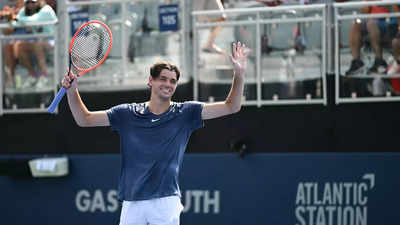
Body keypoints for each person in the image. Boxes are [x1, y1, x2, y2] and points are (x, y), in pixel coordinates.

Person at [60, 41, 249, 225]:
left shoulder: (186, 112)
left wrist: (239, 74)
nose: (168, 84)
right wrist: (72, 91)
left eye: (173, 81)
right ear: (151, 81)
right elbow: (84, 119)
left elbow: (231, 106)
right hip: (132, 201)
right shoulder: (126, 113)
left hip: (165, 201)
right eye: (163, 79)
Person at [345, 0, 399, 76]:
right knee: (355, 24)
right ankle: (357, 62)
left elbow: (393, 6)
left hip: (388, 21)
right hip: (370, 20)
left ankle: (379, 61)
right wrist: (365, 7)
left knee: (371, 23)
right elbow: (365, 11)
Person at [13, 0, 57, 88]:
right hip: (39, 43)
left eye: (33, 2)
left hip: (54, 42)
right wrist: (11, 17)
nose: (31, 5)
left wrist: (15, 17)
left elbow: (32, 20)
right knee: (19, 47)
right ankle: (33, 75)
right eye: (28, 3)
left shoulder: (47, 10)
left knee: (37, 44)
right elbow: (16, 21)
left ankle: (44, 76)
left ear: (38, 2)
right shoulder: (25, 11)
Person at [0, 0, 24, 89]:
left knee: (17, 47)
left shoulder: (26, 8)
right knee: (7, 47)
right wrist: (9, 17)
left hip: (28, 41)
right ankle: (11, 78)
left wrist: (12, 16)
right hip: (11, 43)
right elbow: (7, 31)